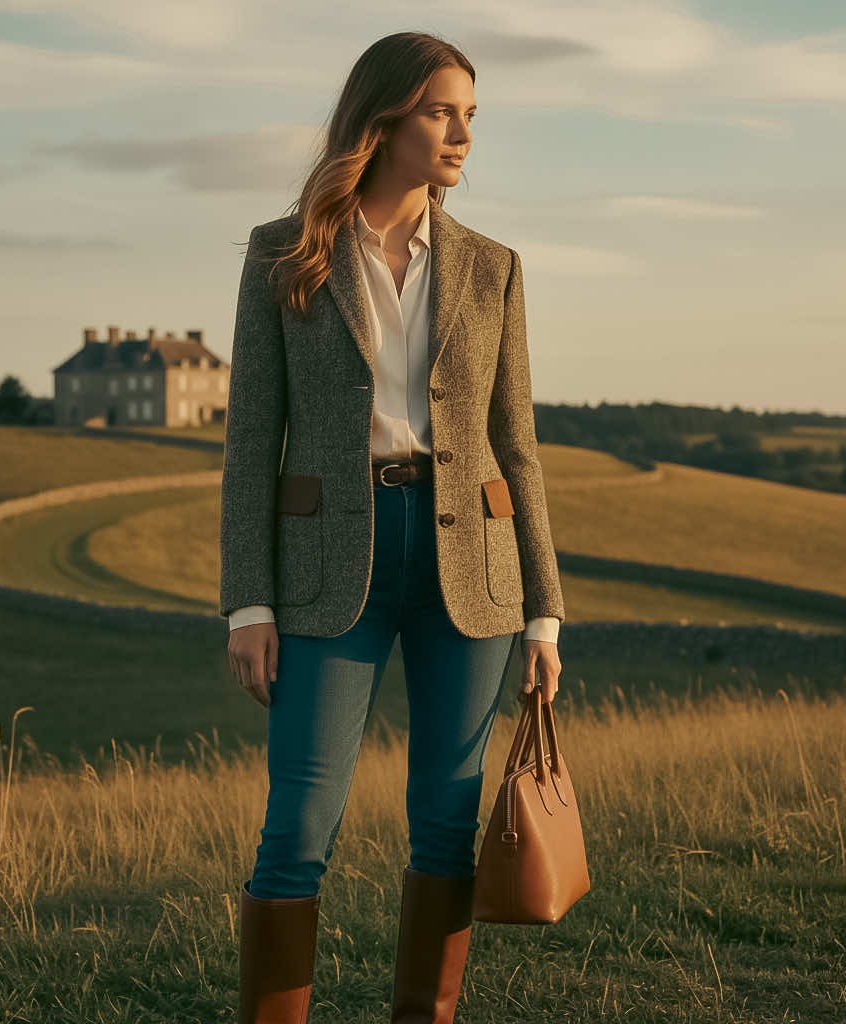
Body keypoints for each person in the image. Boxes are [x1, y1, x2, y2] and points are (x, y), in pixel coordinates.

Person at [220, 30, 567, 1024]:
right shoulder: (284, 253)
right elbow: (250, 440)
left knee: (446, 826)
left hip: (474, 565)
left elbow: (517, 443)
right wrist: (248, 599)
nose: (461, 133)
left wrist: (545, 610)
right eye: (439, 112)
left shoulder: (492, 267)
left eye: (469, 116)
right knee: (297, 827)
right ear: (381, 121)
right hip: (331, 568)